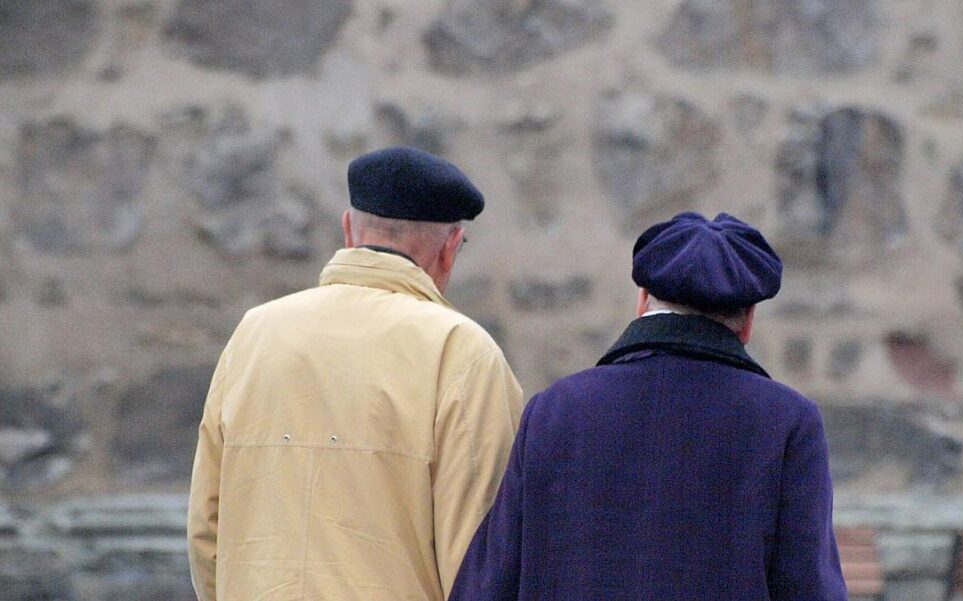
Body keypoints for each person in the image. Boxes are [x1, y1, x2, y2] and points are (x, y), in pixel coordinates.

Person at [449, 212, 847, 600]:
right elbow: (808, 585)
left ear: (642, 302)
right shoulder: (787, 423)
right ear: (747, 323)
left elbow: (491, 581)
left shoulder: (555, 411)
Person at [188, 147, 524, 601]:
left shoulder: (254, 334)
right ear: (450, 249)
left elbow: (206, 530)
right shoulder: (461, 353)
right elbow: (480, 563)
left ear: (348, 230)